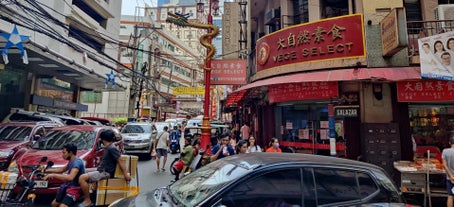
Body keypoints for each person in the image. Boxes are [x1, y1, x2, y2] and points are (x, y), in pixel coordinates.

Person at [78, 129, 131, 207]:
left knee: (82, 178)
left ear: (102, 138)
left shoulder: (111, 148)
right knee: (81, 171)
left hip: (106, 172)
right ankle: (86, 193)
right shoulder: (108, 147)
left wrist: (125, 174)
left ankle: (88, 200)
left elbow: (120, 160)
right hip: (101, 169)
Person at [442, 136, 454, 207]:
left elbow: (444, 165)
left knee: (450, 196)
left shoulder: (445, 151)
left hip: (450, 178)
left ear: (449, 142)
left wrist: (451, 176)